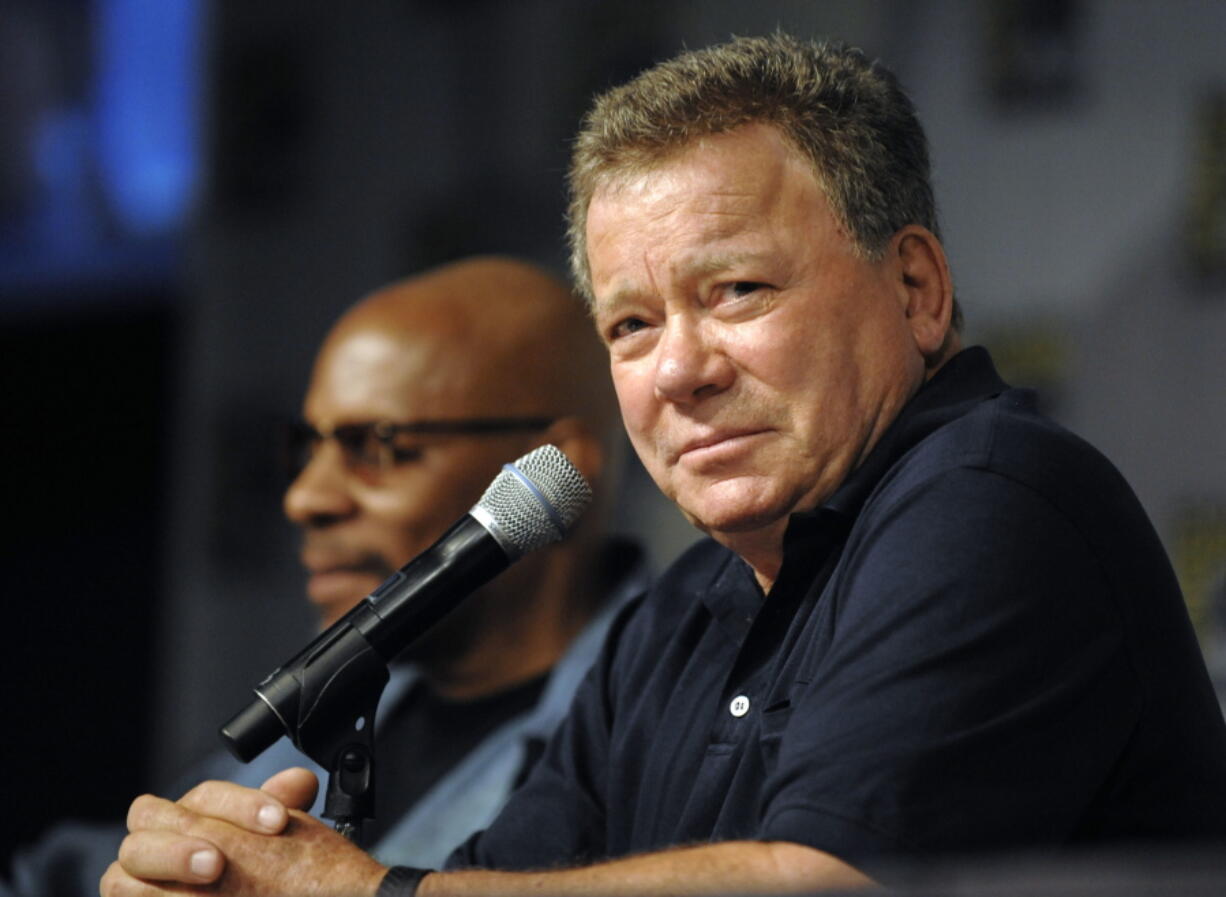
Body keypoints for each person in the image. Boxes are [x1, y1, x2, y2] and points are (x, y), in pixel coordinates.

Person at [101, 34, 1226, 897]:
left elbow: (815, 884)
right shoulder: (679, 609)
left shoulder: (993, 497)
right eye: (630, 326)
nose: (676, 370)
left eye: (735, 291)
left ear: (915, 290)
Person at [9, 255, 644, 896]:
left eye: (373, 445)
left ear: (556, 464)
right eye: (307, 448)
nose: (304, 498)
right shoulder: (347, 705)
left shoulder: (657, 723)